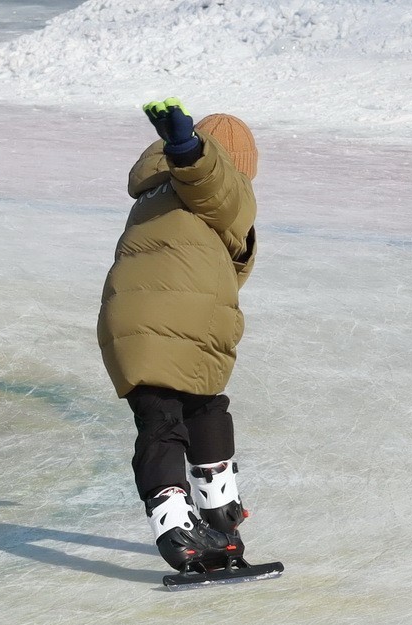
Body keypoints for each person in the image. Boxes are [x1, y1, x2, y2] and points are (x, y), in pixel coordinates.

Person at [96, 98, 259, 573]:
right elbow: (211, 180)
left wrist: (183, 151)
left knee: (174, 413)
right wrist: (191, 148)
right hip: (184, 317)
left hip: (127, 319)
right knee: (196, 408)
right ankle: (202, 521)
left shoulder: (155, 194)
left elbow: (227, 259)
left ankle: (203, 522)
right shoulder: (216, 182)